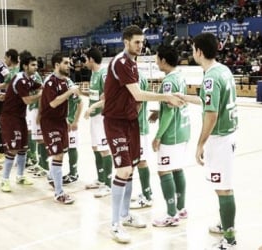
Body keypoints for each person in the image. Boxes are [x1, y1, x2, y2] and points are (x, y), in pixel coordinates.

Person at [102, 24, 184, 244]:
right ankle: (115, 224)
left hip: (131, 123)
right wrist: (166, 98)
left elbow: (134, 98)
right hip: (116, 123)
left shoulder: (133, 64)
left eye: (142, 41)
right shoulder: (120, 62)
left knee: (131, 170)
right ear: (125, 41)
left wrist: (137, 110)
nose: (141, 45)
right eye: (136, 42)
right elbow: (137, 93)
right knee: (124, 169)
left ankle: (125, 215)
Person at [179, 32, 238, 248]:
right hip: (227, 135)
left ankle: (230, 239)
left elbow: (211, 114)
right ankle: (226, 224)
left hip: (220, 138)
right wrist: (185, 97)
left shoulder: (212, 76)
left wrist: (200, 144)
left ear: (199, 52)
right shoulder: (222, 70)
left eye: (193, 49)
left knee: (224, 187)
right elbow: (208, 102)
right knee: (221, 185)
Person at [152, 45, 190, 227]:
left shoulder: (168, 81)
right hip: (183, 130)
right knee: (177, 168)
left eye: (157, 58)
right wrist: (156, 113)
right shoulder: (179, 76)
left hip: (171, 133)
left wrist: (158, 136)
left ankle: (171, 214)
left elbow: (168, 112)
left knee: (164, 170)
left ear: (164, 61)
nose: (156, 61)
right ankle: (181, 208)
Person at [39, 52, 80, 204]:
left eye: (69, 62)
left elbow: (75, 99)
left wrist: (70, 119)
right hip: (50, 122)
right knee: (57, 155)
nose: (68, 65)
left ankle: (51, 176)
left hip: (61, 122)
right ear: (56, 65)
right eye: (65, 63)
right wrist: (70, 92)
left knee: (61, 153)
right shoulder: (50, 81)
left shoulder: (67, 81)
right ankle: (59, 193)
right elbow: (53, 103)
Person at [0, 54, 42, 192]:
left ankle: (20, 176)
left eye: (36, 64)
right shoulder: (20, 80)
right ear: (25, 66)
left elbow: (41, 86)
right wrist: (42, 94)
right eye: (33, 65)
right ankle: (4, 180)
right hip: (10, 118)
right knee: (13, 148)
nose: (36, 67)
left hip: (20, 117)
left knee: (23, 148)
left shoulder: (29, 79)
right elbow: (28, 100)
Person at [81, 47, 113, 198]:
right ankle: (100, 179)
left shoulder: (103, 73)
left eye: (85, 59)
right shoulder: (93, 74)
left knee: (104, 149)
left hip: (102, 117)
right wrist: (80, 92)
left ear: (91, 59)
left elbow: (108, 96)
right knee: (95, 147)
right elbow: (95, 95)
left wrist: (93, 107)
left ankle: (108, 184)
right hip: (94, 117)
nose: (84, 62)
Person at [130, 72, 153, 209]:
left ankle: (147, 196)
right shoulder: (139, 77)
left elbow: (137, 104)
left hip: (138, 127)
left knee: (141, 161)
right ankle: (145, 193)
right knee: (136, 161)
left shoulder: (136, 78)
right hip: (138, 126)